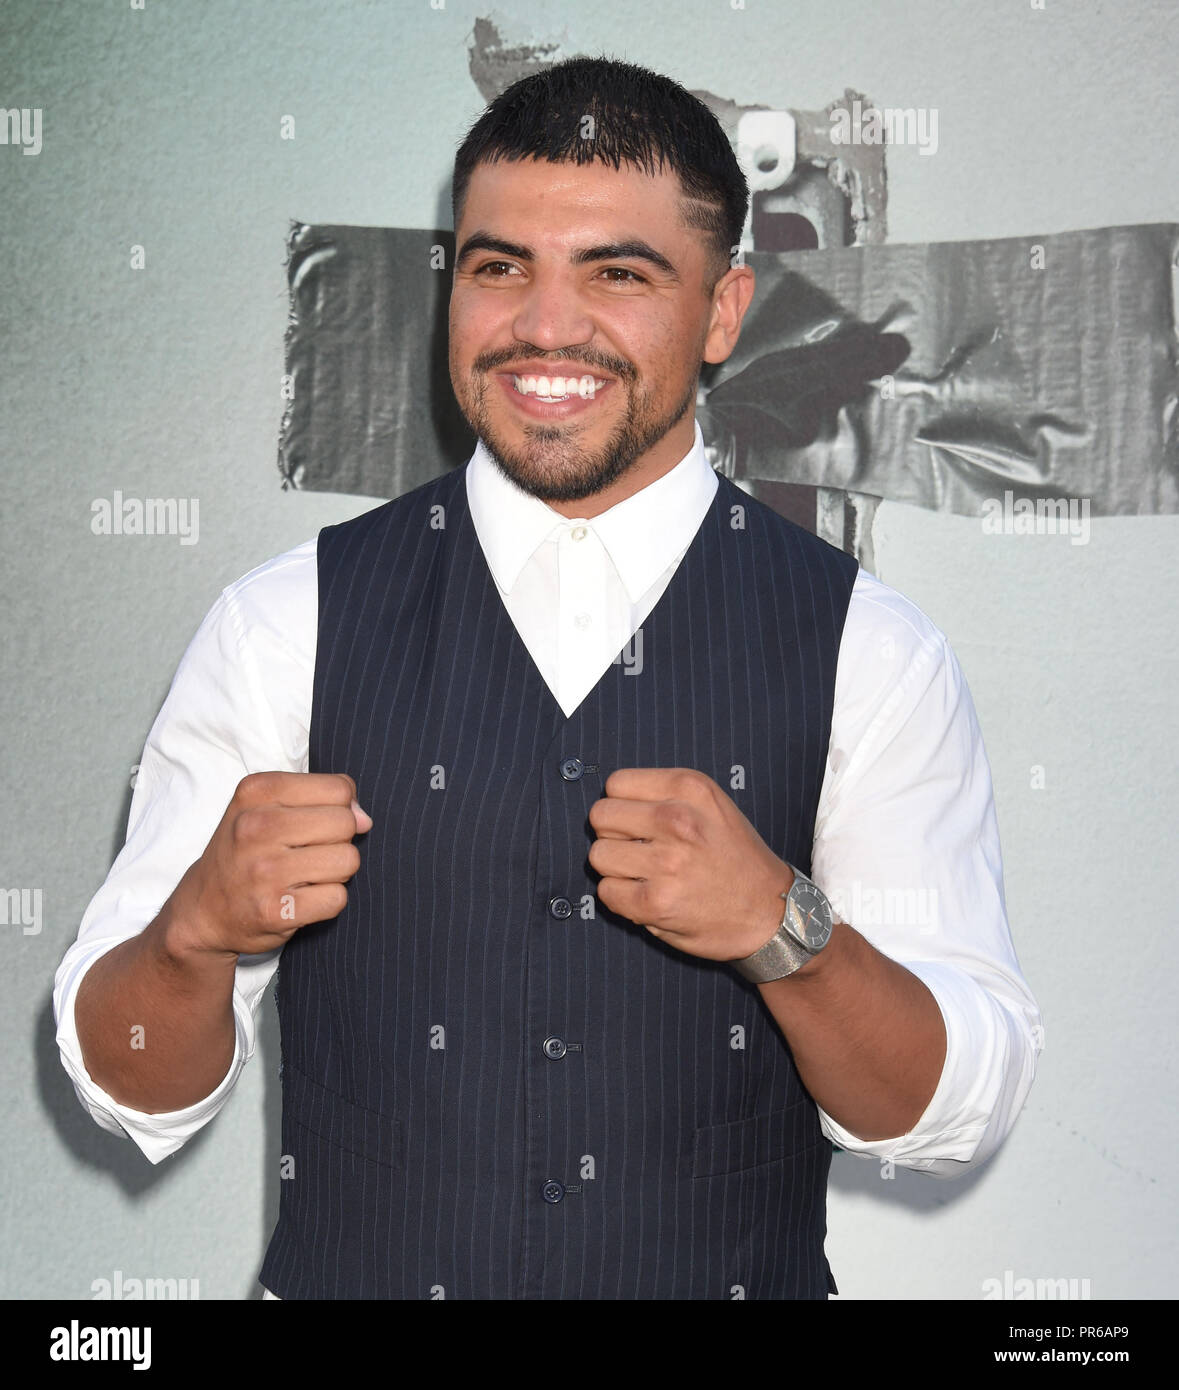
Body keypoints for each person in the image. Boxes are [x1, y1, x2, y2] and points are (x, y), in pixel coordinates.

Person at [54, 56, 1041, 1300]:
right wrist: (191, 934)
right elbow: (128, 1079)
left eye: (617, 273)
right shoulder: (280, 625)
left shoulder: (872, 651)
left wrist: (788, 933)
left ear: (725, 310)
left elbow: (952, 1112)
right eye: (497, 266)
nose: (545, 326)